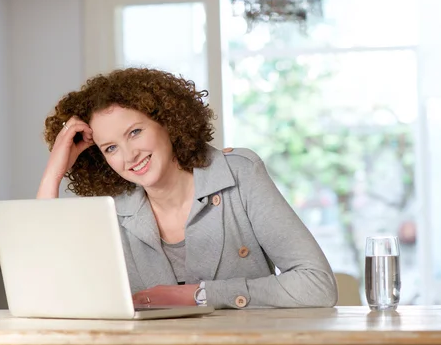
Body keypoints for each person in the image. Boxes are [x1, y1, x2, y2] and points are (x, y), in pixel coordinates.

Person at [37, 67, 338, 309]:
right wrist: (55, 172)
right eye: (111, 147)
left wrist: (202, 295)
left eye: (136, 132)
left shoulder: (238, 174)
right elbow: (51, 292)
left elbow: (317, 285)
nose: (129, 156)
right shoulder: (112, 208)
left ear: (168, 123)